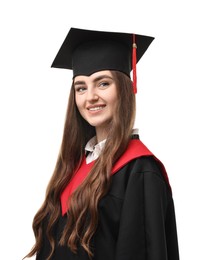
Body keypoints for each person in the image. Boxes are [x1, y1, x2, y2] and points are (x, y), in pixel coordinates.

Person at [25, 27, 179, 260]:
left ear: (125, 88)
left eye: (103, 83)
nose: (90, 97)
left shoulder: (140, 171)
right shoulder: (71, 167)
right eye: (81, 87)